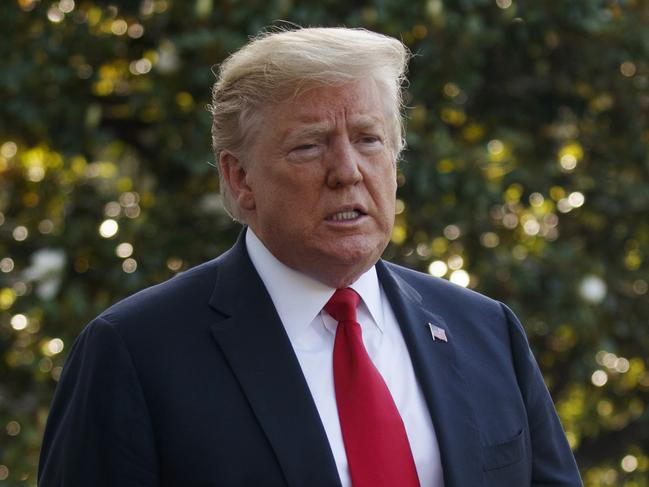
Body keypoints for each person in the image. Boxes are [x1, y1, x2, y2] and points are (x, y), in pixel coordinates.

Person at [38, 27, 582, 486]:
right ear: (240, 177)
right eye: (309, 145)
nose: (347, 170)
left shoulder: (485, 330)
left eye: (369, 139)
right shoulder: (134, 353)